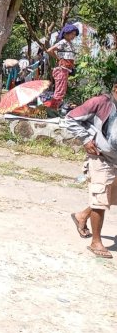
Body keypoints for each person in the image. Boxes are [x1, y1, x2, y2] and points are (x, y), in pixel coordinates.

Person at [65, 80, 117, 259]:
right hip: (99, 157)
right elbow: (70, 118)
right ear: (116, 88)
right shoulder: (101, 102)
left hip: (115, 159)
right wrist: (86, 139)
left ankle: (81, 216)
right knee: (100, 197)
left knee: (108, 196)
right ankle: (96, 242)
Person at [46, 24, 79, 109]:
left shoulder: (69, 43)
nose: (73, 36)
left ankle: (54, 108)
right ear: (65, 34)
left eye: (74, 34)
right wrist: (58, 58)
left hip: (66, 69)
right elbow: (50, 50)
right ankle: (52, 110)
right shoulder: (63, 42)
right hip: (62, 69)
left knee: (62, 90)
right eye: (72, 34)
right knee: (60, 91)